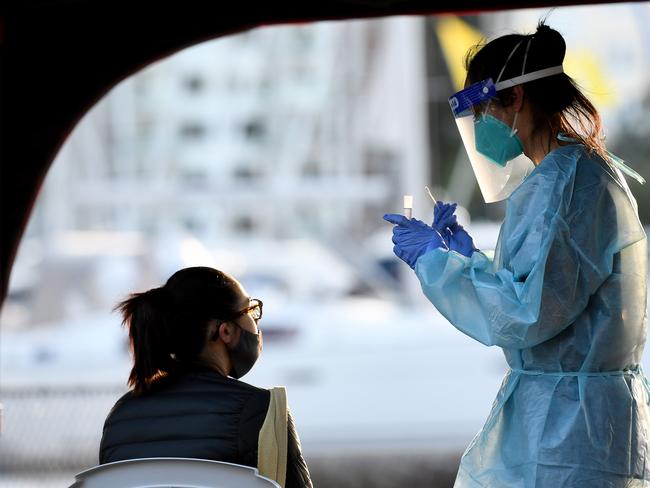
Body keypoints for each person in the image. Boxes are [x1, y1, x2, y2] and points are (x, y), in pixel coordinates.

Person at [384, 22, 649, 487]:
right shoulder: (565, 176)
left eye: (482, 110)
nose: (480, 127)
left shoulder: (565, 185)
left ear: (516, 98)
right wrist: (473, 260)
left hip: (570, 435)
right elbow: (541, 288)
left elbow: (528, 312)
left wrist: (437, 264)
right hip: (572, 424)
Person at [99, 266, 313, 488]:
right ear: (226, 331)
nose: (255, 321)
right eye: (249, 311)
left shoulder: (120, 419)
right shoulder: (262, 411)